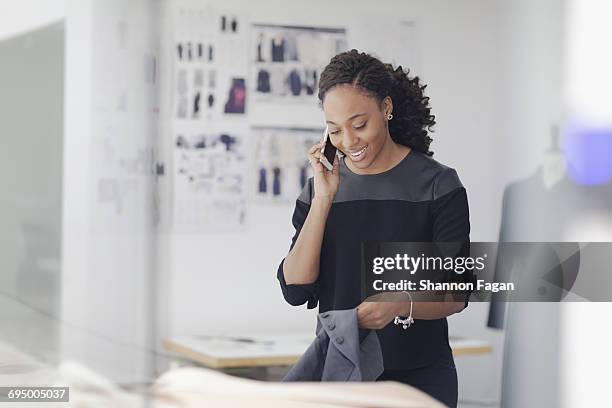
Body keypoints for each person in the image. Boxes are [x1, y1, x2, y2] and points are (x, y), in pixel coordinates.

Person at [277, 49, 471, 408]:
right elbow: (296, 289)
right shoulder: (319, 189)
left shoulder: (437, 185)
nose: (349, 141)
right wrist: (323, 199)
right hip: (343, 375)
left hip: (419, 379)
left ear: (386, 108)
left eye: (359, 124)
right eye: (335, 130)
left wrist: (400, 303)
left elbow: (456, 292)